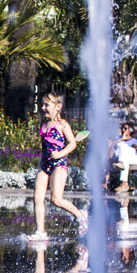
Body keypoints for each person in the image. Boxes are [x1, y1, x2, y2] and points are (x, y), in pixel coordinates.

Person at [30, 92, 87, 240]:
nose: (43, 108)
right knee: (37, 197)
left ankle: (80, 215)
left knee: (56, 199)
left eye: (46, 105)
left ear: (58, 107)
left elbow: (73, 143)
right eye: (43, 104)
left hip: (59, 165)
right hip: (45, 165)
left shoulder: (62, 124)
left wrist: (60, 153)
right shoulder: (44, 124)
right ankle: (41, 232)